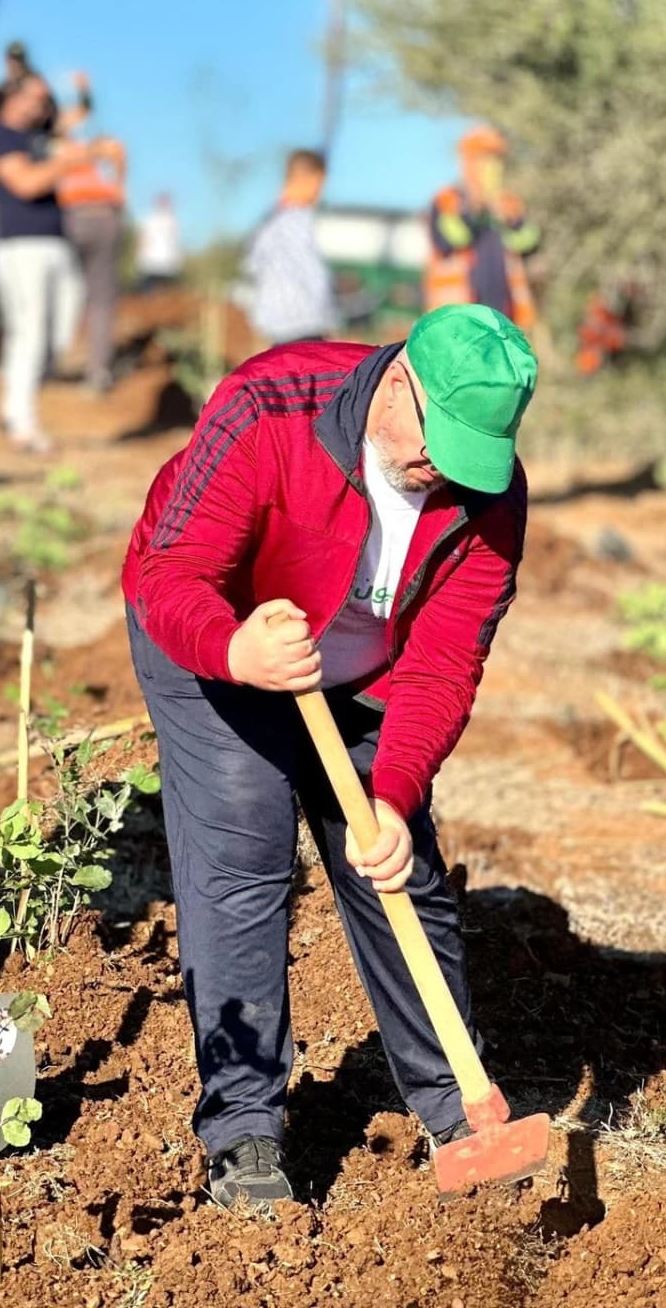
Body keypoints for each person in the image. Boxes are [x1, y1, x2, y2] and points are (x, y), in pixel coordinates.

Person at [121, 303, 537, 1208]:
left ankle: (458, 1108)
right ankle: (244, 1129)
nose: (445, 473)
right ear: (399, 384)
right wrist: (236, 651)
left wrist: (393, 792)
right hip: (221, 639)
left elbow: (442, 664)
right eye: (439, 446)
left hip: (363, 670)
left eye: (473, 457)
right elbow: (171, 573)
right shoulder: (270, 409)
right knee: (245, 853)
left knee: (395, 862)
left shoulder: (491, 496)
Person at [0, 73, 95, 451]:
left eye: (45, 99)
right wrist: (68, 162)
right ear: (13, 97)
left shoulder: (39, 134)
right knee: (28, 331)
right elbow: (26, 183)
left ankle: (10, 404)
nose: (42, 105)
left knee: (60, 332)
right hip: (19, 247)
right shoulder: (1, 137)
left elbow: (78, 115)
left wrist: (84, 91)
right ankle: (22, 422)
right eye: (34, 97)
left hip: (56, 243)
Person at [424, 126, 540, 328]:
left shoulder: (509, 204)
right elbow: (453, 239)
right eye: (484, 158)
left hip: (503, 310)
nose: (492, 166)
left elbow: (529, 241)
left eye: (496, 159)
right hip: (458, 313)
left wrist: (506, 219)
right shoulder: (448, 199)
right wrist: (473, 209)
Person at [241, 148, 338, 346]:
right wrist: (329, 318)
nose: (319, 194)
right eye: (319, 185)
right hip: (304, 326)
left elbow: (251, 266)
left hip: (276, 328)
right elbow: (315, 276)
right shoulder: (299, 221)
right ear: (308, 180)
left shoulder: (268, 224)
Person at [59, 131, 127, 392]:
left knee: (74, 292)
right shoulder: (109, 151)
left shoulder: (64, 149)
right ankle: (97, 370)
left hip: (74, 217)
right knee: (99, 299)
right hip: (103, 216)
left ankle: (60, 360)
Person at [136, 191, 184, 291]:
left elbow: (175, 243)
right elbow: (143, 240)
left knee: (163, 293)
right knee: (153, 292)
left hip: (166, 264)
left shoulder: (171, 221)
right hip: (152, 263)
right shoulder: (151, 220)